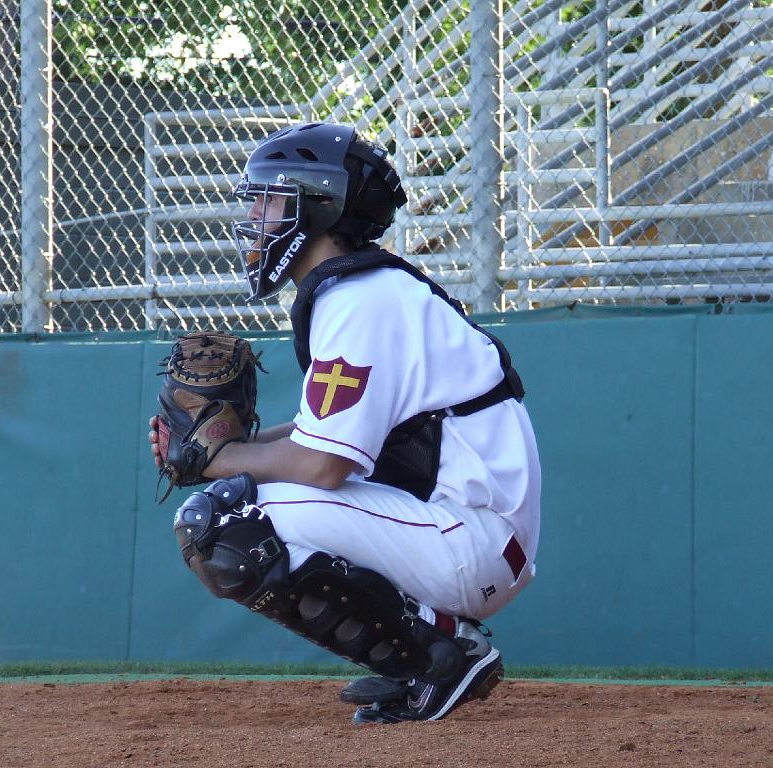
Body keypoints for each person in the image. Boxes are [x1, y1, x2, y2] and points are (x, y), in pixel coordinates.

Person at [150, 121, 541, 724]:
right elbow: (317, 437)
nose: (256, 217)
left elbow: (324, 466)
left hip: (469, 538)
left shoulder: (360, 302)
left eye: (270, 199)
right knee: (230, 505)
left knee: (222, 521)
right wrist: (237, 448)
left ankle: (442, 655)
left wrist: (218, 458)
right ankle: (435, 643)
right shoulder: (366, 291)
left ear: (321, 205)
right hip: (465, 530)